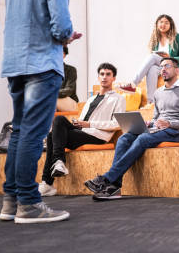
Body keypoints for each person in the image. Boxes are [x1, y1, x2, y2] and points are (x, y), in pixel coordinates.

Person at [0, 0, 82, 224]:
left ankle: (11, 202)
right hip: (42, 66)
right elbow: (60, 28)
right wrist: (67, 36)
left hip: (15, 66)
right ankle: (30, 205)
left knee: (20, 133)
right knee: (33, 136)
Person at [84, 57, 179, 199]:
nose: (163, 69)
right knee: (124, 138)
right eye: (161, 67)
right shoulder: (158, 93)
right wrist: (150, 123)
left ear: (177, 70)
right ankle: (114, 187)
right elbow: (157, 117)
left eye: (167, 66)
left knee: (143, 138)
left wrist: (170, 123)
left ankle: (107, 179)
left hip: (175, 132)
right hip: (157, 129)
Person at [39, 63, 125, 197]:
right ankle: (58, 164)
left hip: (97, 135)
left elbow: (116, 124)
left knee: (51, 136)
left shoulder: (118, 99)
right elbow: (82, 120)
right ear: (98, 77)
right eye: (102, 74)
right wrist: (79, 123)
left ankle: (47, 182)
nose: (104, 77)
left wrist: (89, 124)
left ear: (114, 78)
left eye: (108, 74)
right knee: (59, 121)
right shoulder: (91, 99)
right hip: (83, 131)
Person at [119, 14, 179, 104]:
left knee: (152, 57)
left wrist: (169, 58)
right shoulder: (155, 39)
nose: (163, 24)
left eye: (166, 23)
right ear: (157, 24)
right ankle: (151, 102)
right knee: (152, 69)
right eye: (161, 22)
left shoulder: (176, 37)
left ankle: (133, 83)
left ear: (171, 25)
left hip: (174, 67)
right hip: (162, 67)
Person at [56, 46, 79, 112]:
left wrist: (52, 93)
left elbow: (69, 90)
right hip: (52, 100)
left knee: (50, 99)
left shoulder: (71, 70)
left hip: (69, 101)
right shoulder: (47, 71)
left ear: (63, 54)